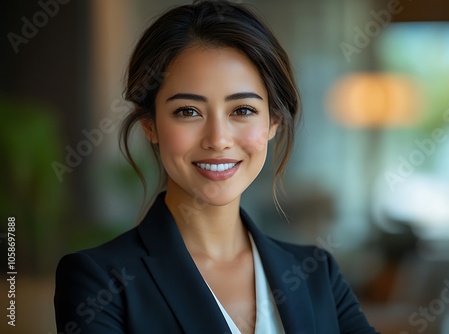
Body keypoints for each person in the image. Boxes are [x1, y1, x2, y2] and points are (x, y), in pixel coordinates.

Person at [54, 1, 378, 333]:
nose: (218, 139)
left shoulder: (316, 273)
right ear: (149, 124)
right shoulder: (99, 281)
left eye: (243, 110)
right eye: (188, 111)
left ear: (274, 121)